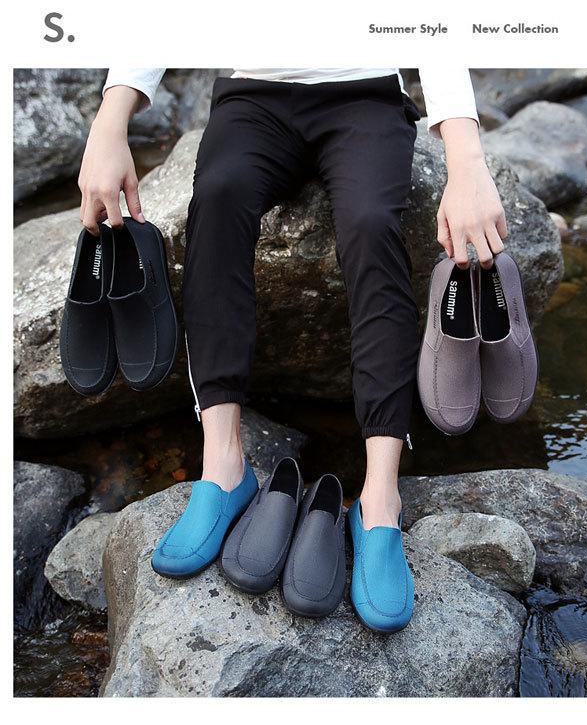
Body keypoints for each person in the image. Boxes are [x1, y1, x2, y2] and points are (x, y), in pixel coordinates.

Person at [79, 67, 507, 631]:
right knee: (218, 196)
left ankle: (380, 502)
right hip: (254, 94)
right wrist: (110, 121)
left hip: (365, 94)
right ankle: (224, 468)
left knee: (371, 223)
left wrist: (466, 159)